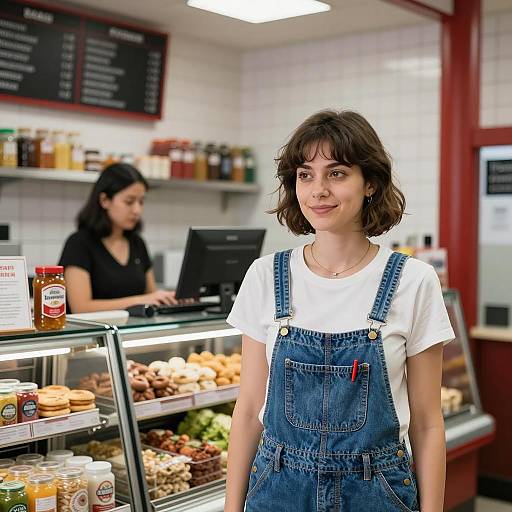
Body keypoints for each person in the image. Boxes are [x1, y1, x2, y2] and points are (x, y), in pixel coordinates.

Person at [224, 110, 454, 512]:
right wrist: (231, 507)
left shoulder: (413, 280)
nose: (318, 190)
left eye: (337, 173)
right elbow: (247, 412)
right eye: (305, 174)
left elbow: (427, 423)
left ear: (370, 184)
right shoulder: (265, 275)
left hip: (376, 491)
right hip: (276, 489)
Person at [59, 163, 178, 313]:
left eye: (141, 202)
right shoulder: (79, 243)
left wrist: (171, 299)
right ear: (104, 200)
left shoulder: (137, 243)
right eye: (129, 201)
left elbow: (152, 297)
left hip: (133, 335)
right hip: (93, 336)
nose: (137, 210)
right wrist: (139, 300)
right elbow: (81, 308)